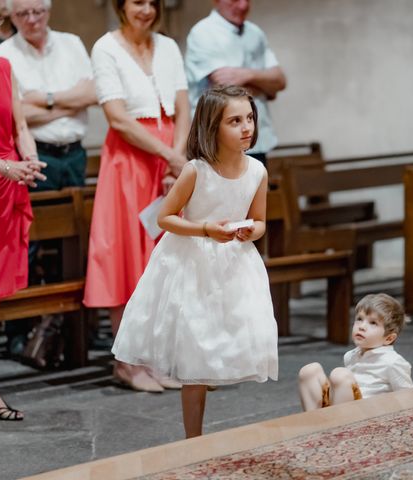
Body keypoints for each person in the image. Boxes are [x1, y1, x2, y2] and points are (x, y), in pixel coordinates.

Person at [111, 85, 278, 438]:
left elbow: (261, 220)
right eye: (235, 121)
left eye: (249, 118)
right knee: (194, 353)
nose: (246, 126)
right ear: (212, 126)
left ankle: (209, 403)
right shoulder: (195, 171)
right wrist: (203, 228)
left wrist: (252, 231)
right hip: (191, 264)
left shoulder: (257, 171)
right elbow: (165, 218)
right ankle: (193, 439)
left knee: (222, 341)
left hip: (234, 266)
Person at [84, 0, 189, 392]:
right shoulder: (106, 47)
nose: (145, 10)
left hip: (168, 159)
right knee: (128, 256)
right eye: (136, 2)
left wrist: (176, 162)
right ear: (120, 6)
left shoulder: (168, 46)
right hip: (130, 160)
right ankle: (127, 362)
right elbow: (118, 118)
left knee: (165, 258)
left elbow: (182, 107)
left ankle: (157, 359)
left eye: (152, 2)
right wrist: (169, 156)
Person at [0, 0, 46, 431]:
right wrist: (6, 166)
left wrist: (31, 160)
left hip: (2, 193)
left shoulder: (4, 67)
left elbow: (20, 125)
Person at [0, 0, 96, 192]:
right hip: (35, 155)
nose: (32, 20)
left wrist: (43, 99)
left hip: (76, 153)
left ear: (48, 12)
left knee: (80, 219)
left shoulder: (71, 43)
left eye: (37, 12)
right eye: (23, 14)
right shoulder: (2, 55)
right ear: (12, 17)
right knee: (44, 219)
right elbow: (15, 115)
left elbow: (93, 94)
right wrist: (72, 104)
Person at [185, 0, 286, 164]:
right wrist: (265, 85)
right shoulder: (203, 32)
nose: (243, 5)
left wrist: (247, 75)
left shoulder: (255, 33)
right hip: (219, 144)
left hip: (256, 142)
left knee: (258, 189)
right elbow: (225, 91)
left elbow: (280, 81)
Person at [298, 294, 413, 411]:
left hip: (367, 413)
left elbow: (407, 395)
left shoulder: (392, 361)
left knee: (340, 374)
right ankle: (315, 420)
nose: (362, 326)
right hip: (344, 407)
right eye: (359, 319)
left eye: (373, 323)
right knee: (310, 370)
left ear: (388, 338)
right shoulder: (350, 355)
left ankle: (339, 425)